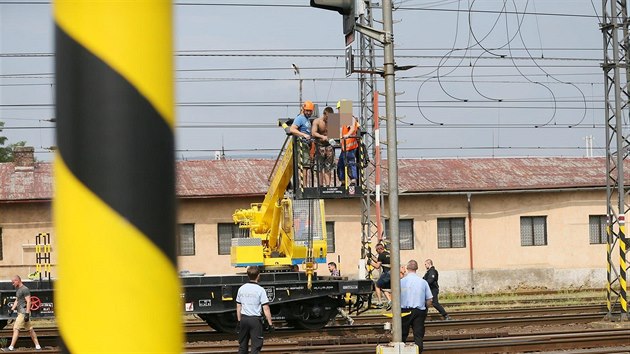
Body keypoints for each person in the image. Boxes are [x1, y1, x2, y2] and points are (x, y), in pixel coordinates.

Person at [236, 266, 274, 354]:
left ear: (248, 275)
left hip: (244, 319)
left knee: (242, 346)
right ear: (258, 276)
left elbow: (238, 306)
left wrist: (239, 321)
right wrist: (270, 324)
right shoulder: (260, 290)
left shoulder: (241, 288)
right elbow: (266, 308)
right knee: (256, 347)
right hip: (255, 320)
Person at [400, 260, 433, 352]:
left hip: (404, 311)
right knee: (418, 336)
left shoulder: (401, 282)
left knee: (402, 335)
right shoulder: (423, 282)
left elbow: (395, 297)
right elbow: (429, 299)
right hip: (419, 311)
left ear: (407, 268)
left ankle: (401, 351)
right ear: (417, 268)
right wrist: (425, 308)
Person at [4, 275, 41, 351]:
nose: (12, 284)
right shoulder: (18, 289)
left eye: (13, 282)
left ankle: (11, 347)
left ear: (17, 280)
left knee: (16, 328)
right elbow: (17, 300)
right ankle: (38, 346)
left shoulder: (25, 289)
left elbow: (29, 301)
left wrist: (27, 313)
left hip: (23, 313)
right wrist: (12, 309)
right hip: (21, 312)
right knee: (30, 330)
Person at [289, 100, 314, 187]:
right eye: (307, 110)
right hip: (301, 144)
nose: (308, 112)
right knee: (304, 166)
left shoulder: (307, 119)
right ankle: (304, 186)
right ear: (303, 109)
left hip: (307, 145)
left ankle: (305, 185)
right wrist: (303, 135)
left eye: (310, 111)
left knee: (307, 166)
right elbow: (292, 129)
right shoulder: (300, 118)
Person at [336, 101, 360, 186]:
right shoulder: (344, 120)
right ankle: (342, 181)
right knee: (340, 165)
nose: (338, 112)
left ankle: (353, 180)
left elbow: (352, 128)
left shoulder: (349, 118)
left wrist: (347, 135)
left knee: (350, 163)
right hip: (345, 148)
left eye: (339, 109)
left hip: (351, 147)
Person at [312, 106, 335, 187]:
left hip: (329, 146)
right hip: (319, 146)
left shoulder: (333, 121)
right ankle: (320, 185)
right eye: (327, 117)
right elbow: (313, 133)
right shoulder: (317, 121)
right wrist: (322, 137)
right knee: (319, 166)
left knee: (328, 166)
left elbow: (335, 135)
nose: (328, 119)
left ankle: (328, 185)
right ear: (324, 114)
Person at [370, 243, 392, 309]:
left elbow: (377, 266)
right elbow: (379, 261)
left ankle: (380, 302)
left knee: (377, 285)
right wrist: (371, 257)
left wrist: (370, 263)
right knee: (384, 287)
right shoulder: (387, 254)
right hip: (392, 273)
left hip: (387, 273)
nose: (377, 252)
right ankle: (390, 301)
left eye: (377, 250)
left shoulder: (381, 255)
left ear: (379, 249)